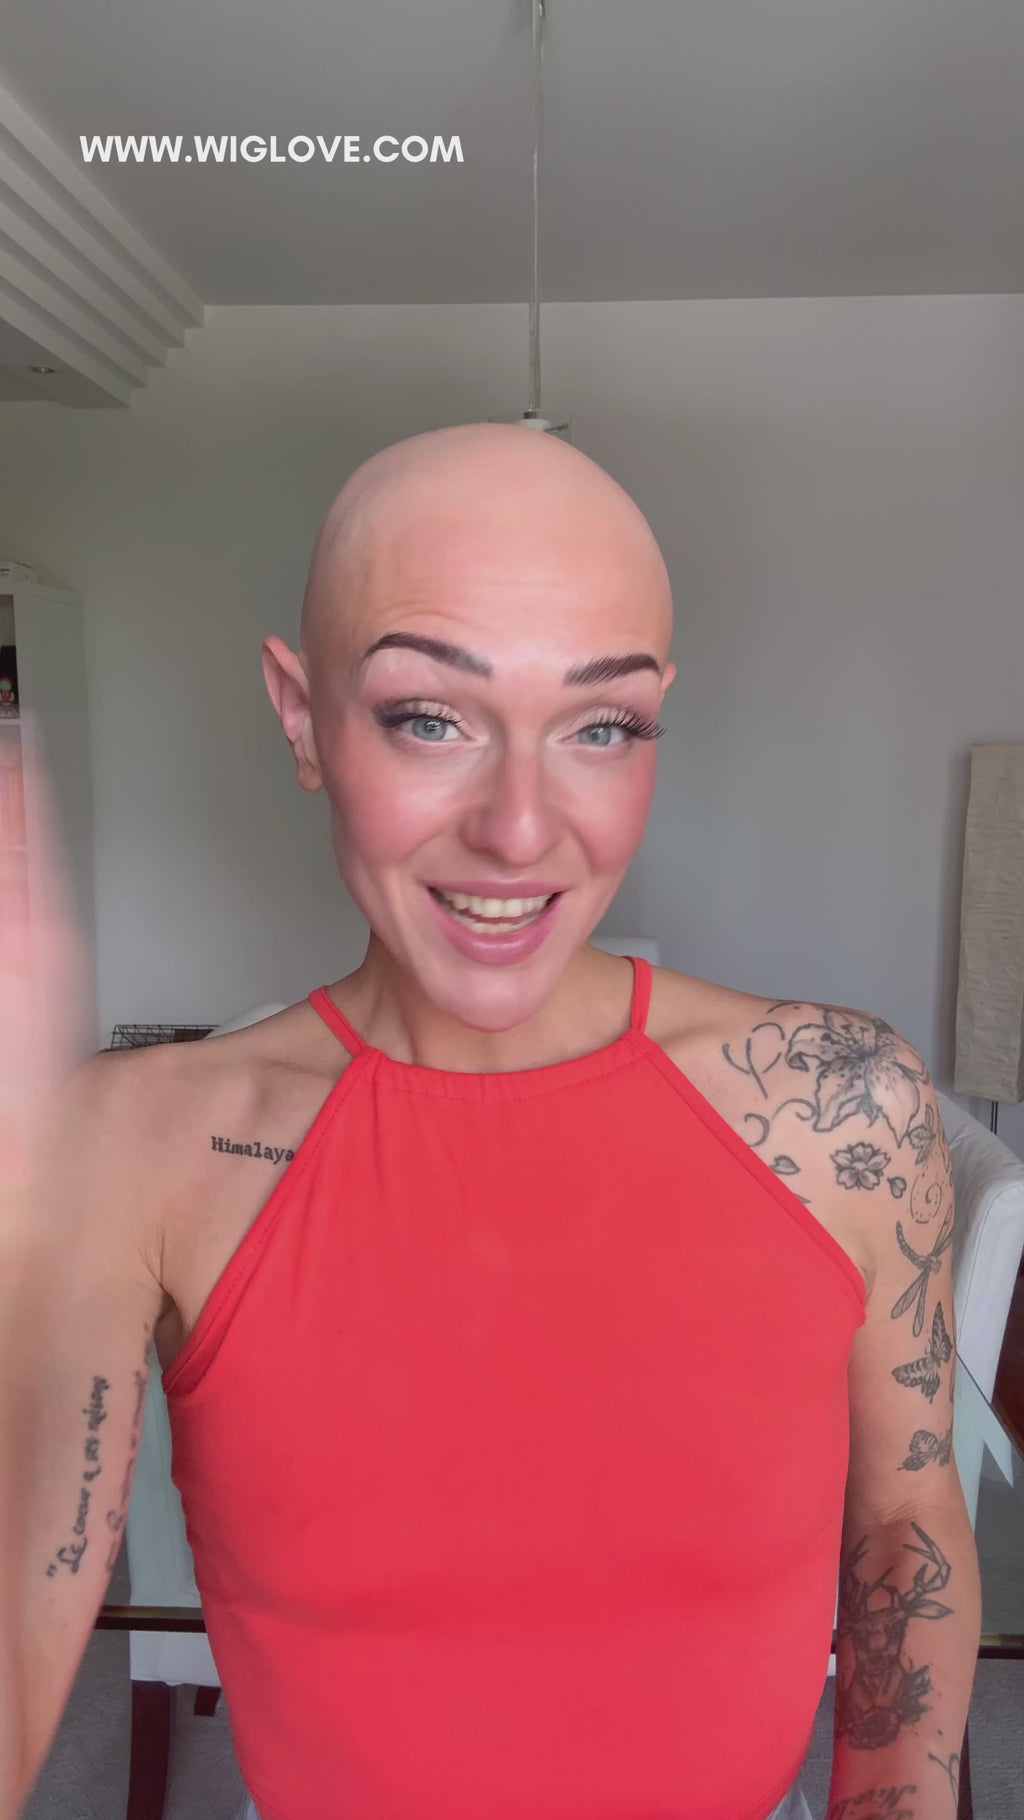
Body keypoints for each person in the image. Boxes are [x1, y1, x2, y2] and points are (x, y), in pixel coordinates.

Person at [2, 422, 979, 1820]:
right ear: (301, 716)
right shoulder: (143, 1146)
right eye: (429, 717)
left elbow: (904, 1525)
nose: (521, 828)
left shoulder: (841, 1111)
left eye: (600, 726)